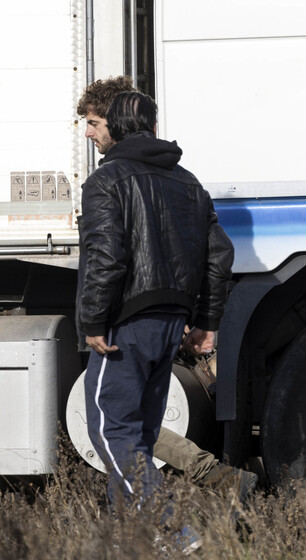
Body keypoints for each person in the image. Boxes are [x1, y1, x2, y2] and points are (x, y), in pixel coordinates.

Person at [75, 77, 258, 503]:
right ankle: (135, 542)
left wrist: (93, 320)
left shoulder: (107, 180)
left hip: (124, 325)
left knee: (111, 430)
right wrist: (206, 322)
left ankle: (174, 534)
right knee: (138, 435)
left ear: (116, 127)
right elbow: (219, 257)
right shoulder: (190, 183)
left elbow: (106, 258)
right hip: (171, 324)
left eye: (93, 123)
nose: (88, 133)